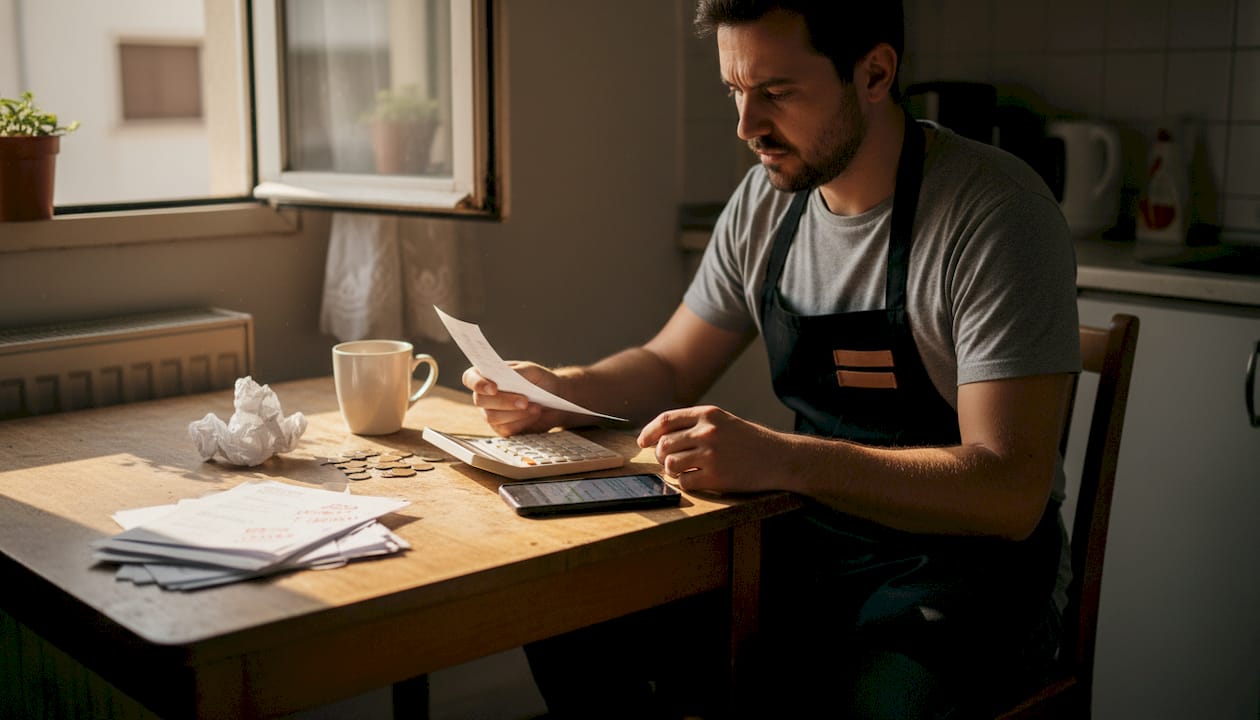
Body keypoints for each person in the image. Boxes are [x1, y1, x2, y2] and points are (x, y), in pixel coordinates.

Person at [462, 0, 1080, 717]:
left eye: (777, 93)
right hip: (809, 547)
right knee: (572, 618)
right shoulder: (766, 200)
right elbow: (669, 366)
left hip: (965, 577)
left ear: (875, 73)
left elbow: (1008, 491)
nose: (746, 126)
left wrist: (783, 459)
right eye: (735, 91)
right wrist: (558, 391)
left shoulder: (994, 213)